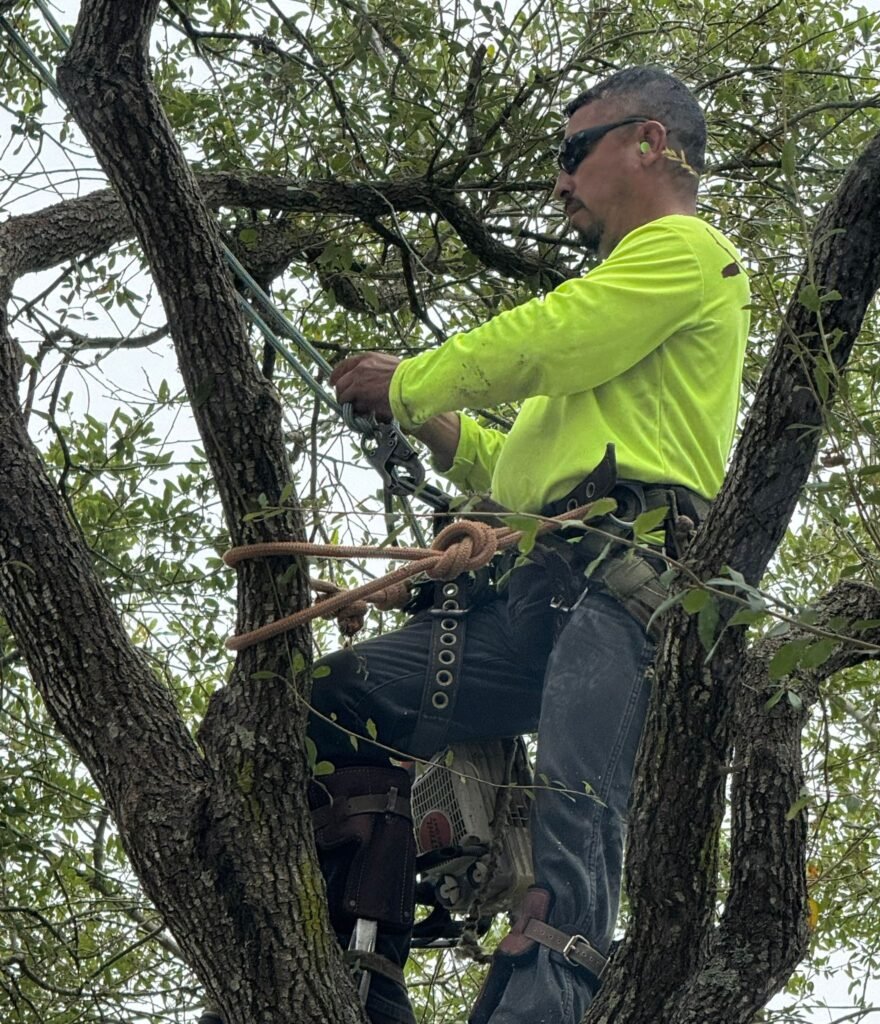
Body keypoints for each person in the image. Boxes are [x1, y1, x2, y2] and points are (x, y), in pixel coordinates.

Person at [308, 66, 750, 1024]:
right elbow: (528, 472)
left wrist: (417, 380)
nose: (559, 183)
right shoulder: (624, 306)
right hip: (527, 595)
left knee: (570, 837)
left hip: (623, 592)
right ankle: (356, 974)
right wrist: (445, 433)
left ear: (650, 142)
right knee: (340, 704)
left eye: (570, 152)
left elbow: (560, 338)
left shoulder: (687, 250)